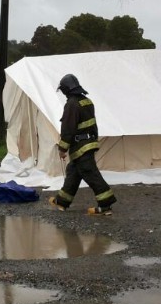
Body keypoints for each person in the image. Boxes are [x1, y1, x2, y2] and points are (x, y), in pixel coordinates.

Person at [49, 73, 116, 216]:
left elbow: (68, 129)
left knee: (91, 174)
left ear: (66, 89)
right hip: (89, 143)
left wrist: (62, 149)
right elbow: (93, 125)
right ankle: (62, 202)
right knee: (73, 172)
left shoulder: (71, 104)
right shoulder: (87, 101)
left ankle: (106, 205)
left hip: (80, 146)